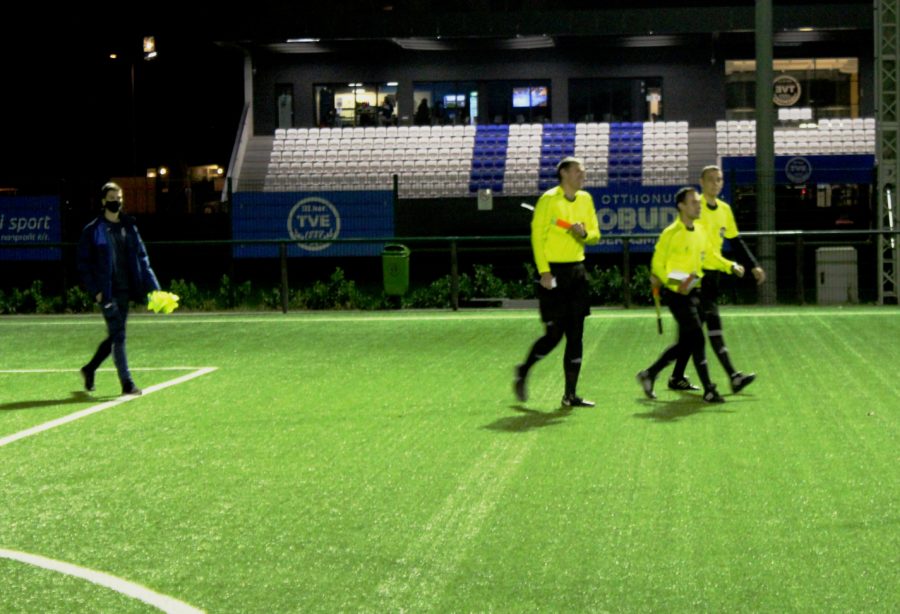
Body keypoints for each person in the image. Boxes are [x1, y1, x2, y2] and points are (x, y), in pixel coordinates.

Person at [636, 186, 741, 403]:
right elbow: (658, 266)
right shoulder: (670, 233)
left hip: (695, 290)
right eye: (693, 202)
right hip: (676, 295)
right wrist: (677, 284)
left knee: (686, 343)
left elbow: (710, 257)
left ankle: (650, 373)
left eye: (698, 202)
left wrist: (730, 266)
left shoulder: (700, 231)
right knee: (698, 339)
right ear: (681, 206)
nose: (698, 205)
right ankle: (709, 389)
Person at [666, 165, 764, 393]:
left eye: (719, 179)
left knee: (691, 334)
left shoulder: (724, 210)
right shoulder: (695, 208)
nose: (715, 183)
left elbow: (735, 240)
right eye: (711, 179)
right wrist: (730, 265)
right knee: (711, 326)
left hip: (711, 276)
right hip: (694, 276)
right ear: (701, 182)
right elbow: (703, 249)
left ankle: (668, 375)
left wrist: (753, 265)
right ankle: (733, 377)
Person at [514, 157, 601, 408]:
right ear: (564, 173)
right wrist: (544, 272)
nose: (582, 175)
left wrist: (584, 233)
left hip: (577, 272)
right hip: (552, 273)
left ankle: (570, 395)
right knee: (554, 335)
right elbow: (537, 237)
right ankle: (524, 370)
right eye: (578, 171)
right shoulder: (548, 199)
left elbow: (595, 235)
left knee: (576, 335)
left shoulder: (585, 199)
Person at [77, 182, 160, 396]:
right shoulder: (93, 230)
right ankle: (127, 383)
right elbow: (84, 264)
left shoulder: (129, 226)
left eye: (119, 198)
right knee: (119, 335)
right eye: (112, 198)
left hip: (125, 290)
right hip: (107, 292)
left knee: (116, 335)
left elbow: (142, 258)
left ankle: (90, 368)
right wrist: (95, 291)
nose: (116, 202)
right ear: (103, 201)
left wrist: (154, 289)